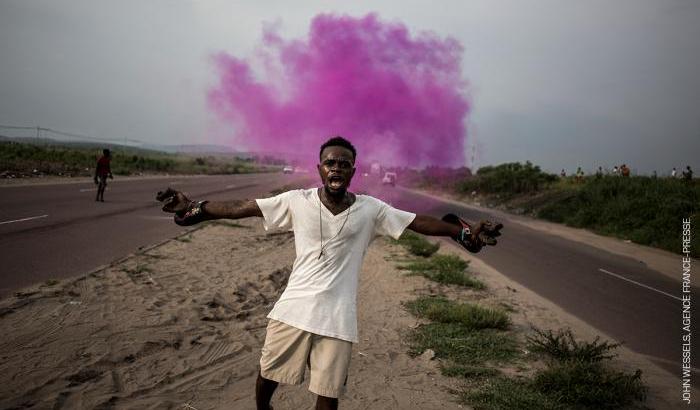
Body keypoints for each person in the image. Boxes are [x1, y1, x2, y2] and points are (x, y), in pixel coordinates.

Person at [156, 136, 502, 410]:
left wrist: (462, 233)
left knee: (328, 392)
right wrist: (194, 208)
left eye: (344, 164)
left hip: (338, 316)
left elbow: (417, 222)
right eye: (330, 163)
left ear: (354, 170)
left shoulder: (371, 209)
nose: (336, 168)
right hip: (293, 309)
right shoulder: (297, 200)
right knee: (268, 375)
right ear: (320, 168)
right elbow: (242, 207)